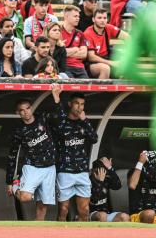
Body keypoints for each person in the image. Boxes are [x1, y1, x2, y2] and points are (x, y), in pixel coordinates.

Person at [6, 85, 61, 220]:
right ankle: (15, 186)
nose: (26, 112)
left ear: (31, 108)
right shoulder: (19, 130)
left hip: (49, 167)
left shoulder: (43, 118)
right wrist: (9, 181)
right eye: (22, 110)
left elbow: (60, 118)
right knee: (25, 197)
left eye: (28, 108)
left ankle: (38, 230)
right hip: (32, 167)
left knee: (43, 205)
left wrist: (56, 98)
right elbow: (12, 155)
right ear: (17, 113)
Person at [52, 85, 98, 221]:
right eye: (77, 103)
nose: (80, 107)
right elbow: (58, 116)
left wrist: (85, 121)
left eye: (82, 104)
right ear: (70, 104)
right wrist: (56, 98)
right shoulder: (62, 121)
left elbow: (94, 138)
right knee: (63, 209)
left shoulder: (84, 123)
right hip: (65, 171)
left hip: (82, 171)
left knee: (84, 210)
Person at [84, 8, 129, 79]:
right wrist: (111, 63)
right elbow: (91, 57)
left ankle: (123, 90)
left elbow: (127, 37)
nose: (102, 20)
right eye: (99, 18)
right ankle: (101, 90)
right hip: (92, 64)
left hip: (106, 57)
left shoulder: (108, 27)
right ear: (93, 19)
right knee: (105, 68)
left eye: (104, 18)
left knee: (127, 65)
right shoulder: (88, 33)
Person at [89, 157, 130, 222]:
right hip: (92, 214)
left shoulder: (106, 180)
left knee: (124, 217)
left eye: (103, 171)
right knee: (102, 215)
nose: (100, 174)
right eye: (97, 171)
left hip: (106, 213)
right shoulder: (88, 182)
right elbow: (94, 200)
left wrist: (110, 168)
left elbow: (118, 186)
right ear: (92, 171)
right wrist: (100, 182)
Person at [61, 5, 88, 78]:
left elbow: (84, 54)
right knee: (71, 87)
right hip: (65, 67)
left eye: (78, 16)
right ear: (66, 16)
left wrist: (66, 52)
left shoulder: (80, 33)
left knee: (88, 88)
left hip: (80, 68)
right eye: (75, 16)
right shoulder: (57, 31)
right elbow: (57, 53)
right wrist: (75, 49)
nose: (78, 18)